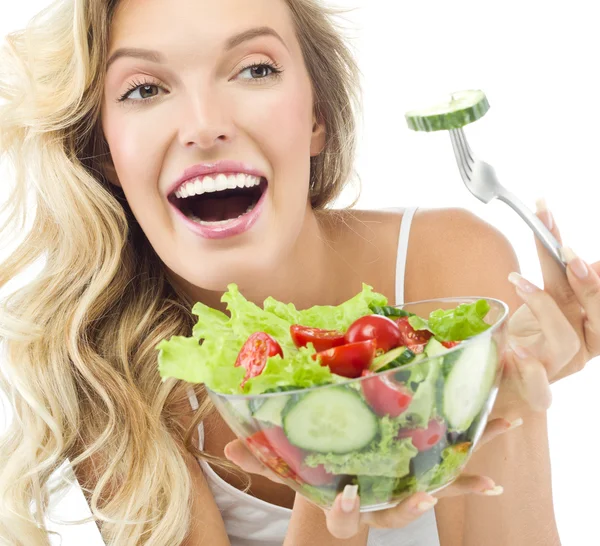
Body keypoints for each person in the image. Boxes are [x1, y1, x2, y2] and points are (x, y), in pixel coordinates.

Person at [0, 0, 598, 545]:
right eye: (146, 87)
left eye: (255, 69)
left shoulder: (452, 263)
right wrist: (332, 483)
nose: (205, 125)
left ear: (318, 116)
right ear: (104, 152)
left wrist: (510, 392)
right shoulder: (107, 372)